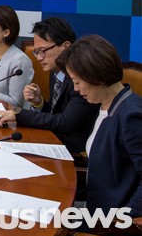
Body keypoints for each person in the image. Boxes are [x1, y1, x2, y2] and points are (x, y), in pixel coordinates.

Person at [57, 35, 141, 226]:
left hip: (108, 222)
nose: (75, 89)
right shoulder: (105, 104)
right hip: (93, 206)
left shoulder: (131, 115)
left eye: (77, 82)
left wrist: (121, 222)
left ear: (98, 77)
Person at [0, 18, 98, 154]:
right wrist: (39, 103)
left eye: (43, 50)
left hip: (74, 151)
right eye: (36, 52)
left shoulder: (81, 78)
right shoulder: (55, 72)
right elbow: (55, 115)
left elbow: (66, 122)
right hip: (52, 140)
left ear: (66, 47)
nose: (39, 57)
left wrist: (18, 114)